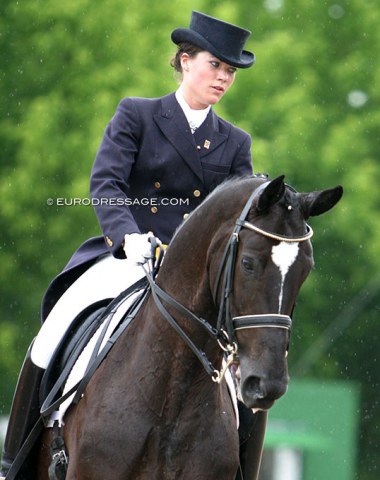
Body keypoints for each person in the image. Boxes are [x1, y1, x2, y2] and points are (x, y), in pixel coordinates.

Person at [1, 10, 262, 479]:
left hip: (196, 277)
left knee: (251, 371)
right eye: (215, 65)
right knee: (53, 332)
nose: (223, 77)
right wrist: (127, 235)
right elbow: (106, 182)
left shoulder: (234, 143)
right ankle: (13, 461)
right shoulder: (138, 114)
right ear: (185, 61)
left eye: (230, 71)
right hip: (129, 255)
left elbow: (236, 219)